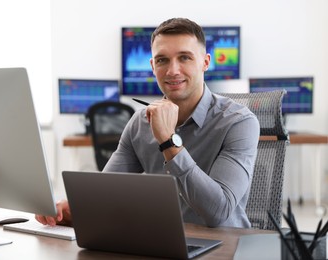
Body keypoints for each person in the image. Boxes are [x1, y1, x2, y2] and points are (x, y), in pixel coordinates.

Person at [36, 17, 259, 228]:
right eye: (162, 60)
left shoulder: (239, 122)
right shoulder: (140, 123)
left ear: (205, 62)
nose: (173, 70)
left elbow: (218, 212)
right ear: (153, 66)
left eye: (185, 57)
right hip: (162, 242)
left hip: (225, 248)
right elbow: (103, 193)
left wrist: (168, 141)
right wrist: (70, 209)